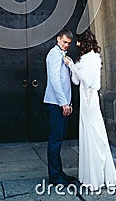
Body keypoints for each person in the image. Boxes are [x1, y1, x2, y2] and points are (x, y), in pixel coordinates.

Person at [64, 29, 116, 192]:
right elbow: (76, 81)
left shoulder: (93, 58)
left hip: (90, 101)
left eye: (79, 41)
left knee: (94, 134)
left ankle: (99, 176)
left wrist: (73, 66)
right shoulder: (84, 58)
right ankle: (89, 175)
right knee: (87, 134)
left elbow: (88, 80)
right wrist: (72, 67)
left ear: (84, 42)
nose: (77, 44)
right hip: (84, 100)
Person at [43, 29, 76, 185]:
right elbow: (55, 81)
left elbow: (66, 81)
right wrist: (63, 103)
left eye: (69, 43)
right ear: (58, 39)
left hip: (63, 103)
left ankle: (59, 173)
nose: (66, 45)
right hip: (56, 103)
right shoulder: (54, 55)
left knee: (59, 138)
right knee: (55, 140)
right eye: (64, 42)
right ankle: (55, 177)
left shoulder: (63, 55)